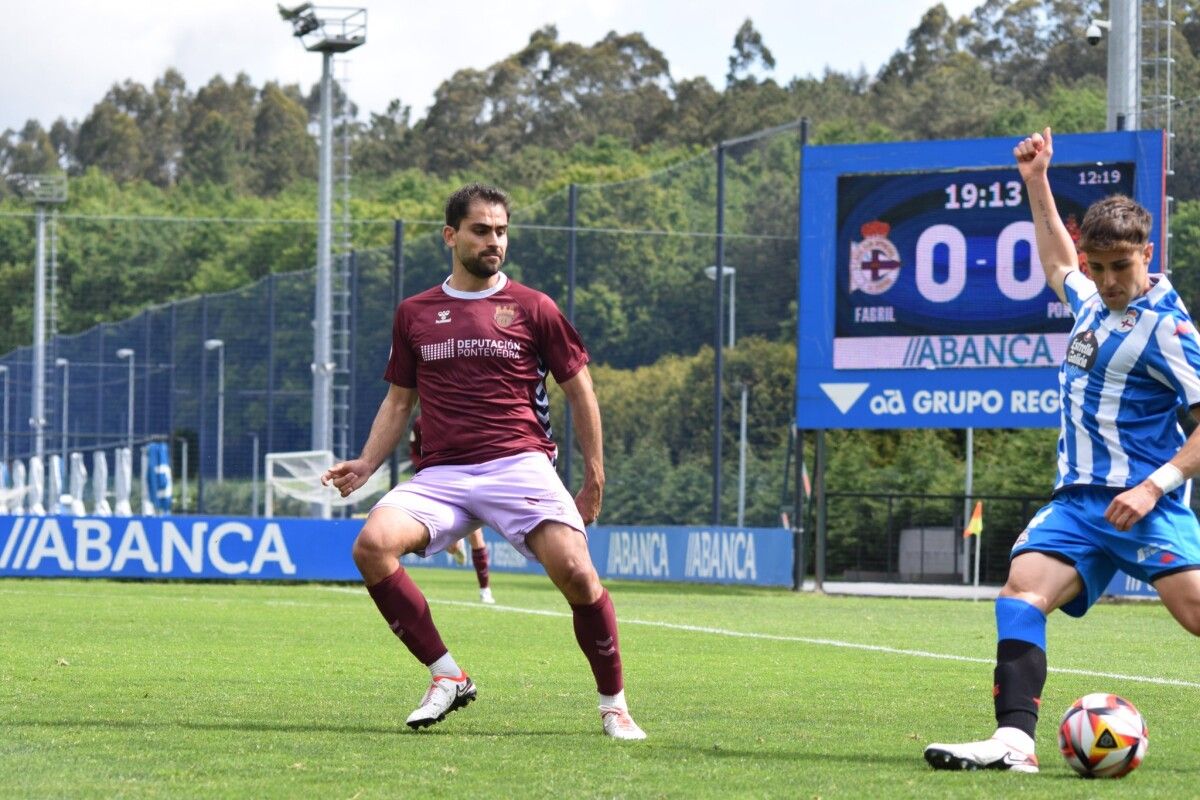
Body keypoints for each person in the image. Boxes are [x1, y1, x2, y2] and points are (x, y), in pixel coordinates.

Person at [321, 183, 645, 740]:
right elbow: (400, 400)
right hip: (442, 474)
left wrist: (594, 478)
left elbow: (581, 392)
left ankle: (614, 705)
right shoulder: (415, 313)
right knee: (371, 546)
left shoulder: (533, 307)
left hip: (518, 464)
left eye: (501, 231)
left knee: (577, 575)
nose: (494, 240)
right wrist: (368, 463)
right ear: (451, 236)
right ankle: (446, 676)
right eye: (481, 230)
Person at [925, 127, 1200, 772]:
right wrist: (1037, 178)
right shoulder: (1089, 302)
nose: (1107, 281)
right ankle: (1015, 743)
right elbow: (1057, 263)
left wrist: (1153, 485)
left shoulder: (1170, 329)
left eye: (1120, 268)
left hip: (1145, 504)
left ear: (1147, 254)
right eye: (1099, 267)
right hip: (1079, 504)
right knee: (1021, 593)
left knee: (1195, 617)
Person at [410, 414, 495, 604]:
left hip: (466, 480)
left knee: (476, 534)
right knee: (452, 547)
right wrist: (422, 467)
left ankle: (485, 590)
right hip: (437, 484)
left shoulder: (462, 416)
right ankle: (456, 546)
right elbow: (414, 451)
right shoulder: (419, 423)